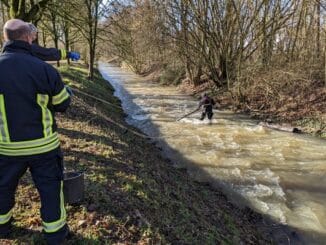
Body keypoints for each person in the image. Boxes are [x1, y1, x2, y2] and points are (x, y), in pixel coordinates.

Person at [0, 19, 71, 244]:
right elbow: (62, 103)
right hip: (44, 147)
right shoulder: (43, 69)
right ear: (28, 38)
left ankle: (2, 227)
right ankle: (55, 234)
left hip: (6, 149)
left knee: (2, 189)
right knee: (51, 191)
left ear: (5, 38)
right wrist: (66, 91)